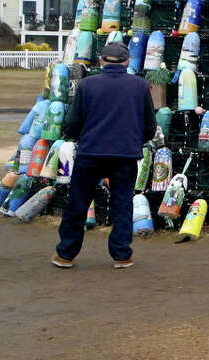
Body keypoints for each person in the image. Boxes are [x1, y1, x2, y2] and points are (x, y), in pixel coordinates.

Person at [52, 40, 157, 269]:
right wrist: (136, 141)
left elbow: (73, 122)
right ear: (128, 61)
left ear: (101, 61)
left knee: (78, 203)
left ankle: (66, 254)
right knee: (122, 203)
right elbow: (150, 125)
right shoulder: (140, 86)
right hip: (126, 154)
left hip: (91, 151)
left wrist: (76, 137)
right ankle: (121, 255)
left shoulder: (87, 85)